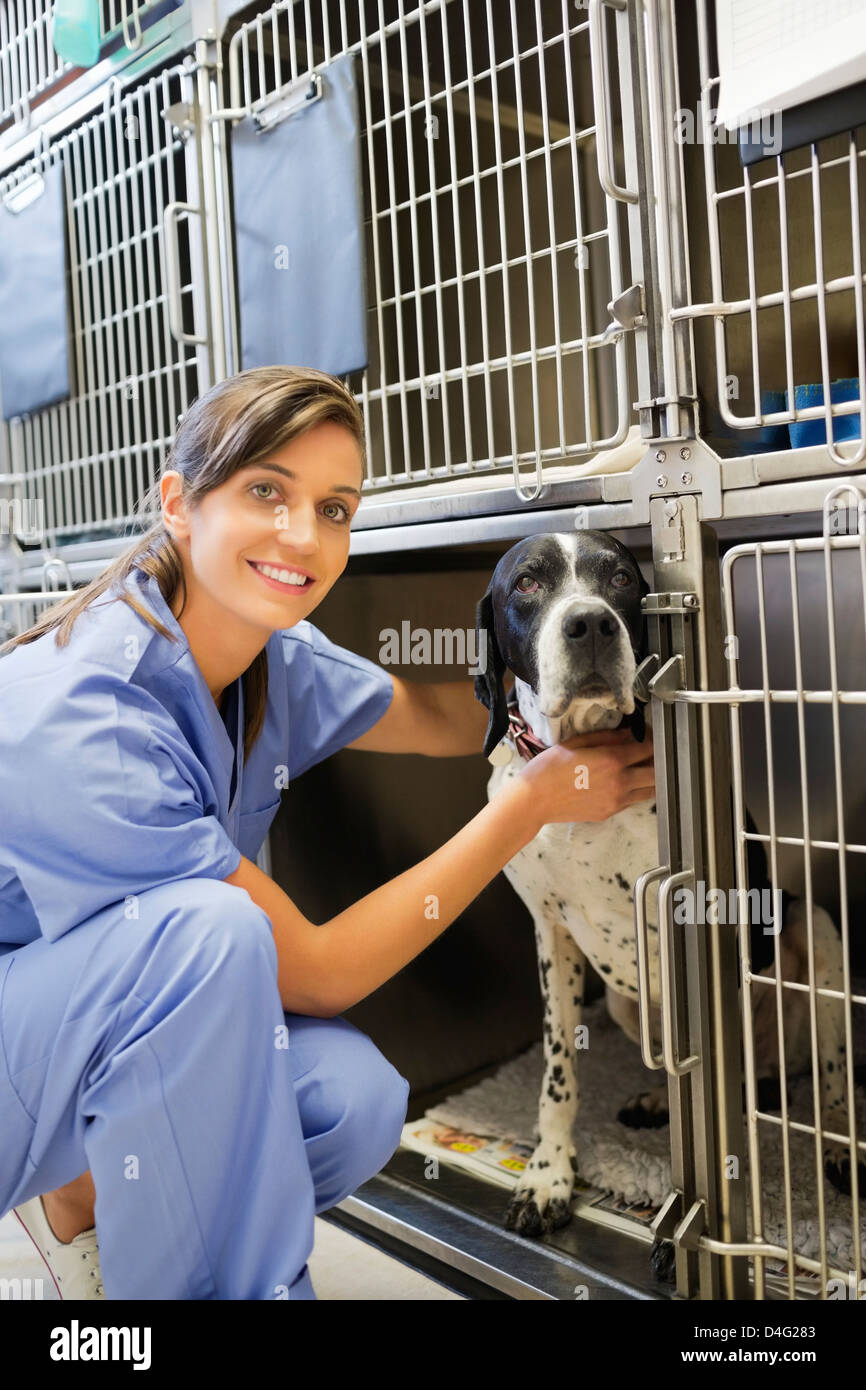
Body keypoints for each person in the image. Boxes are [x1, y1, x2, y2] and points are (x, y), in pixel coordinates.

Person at [0, 365, 655, 1300]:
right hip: (18, 1044)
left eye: (336, 507)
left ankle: (83, 1201)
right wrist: (530, 803)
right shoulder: (86, 708)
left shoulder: (271, 656)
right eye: (267, 491)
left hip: (97, 1030)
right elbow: (312, 972)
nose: (304, 536)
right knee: (213, 937)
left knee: (353, 1104)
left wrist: (564, 704)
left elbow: (437, 717)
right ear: (179, 504)